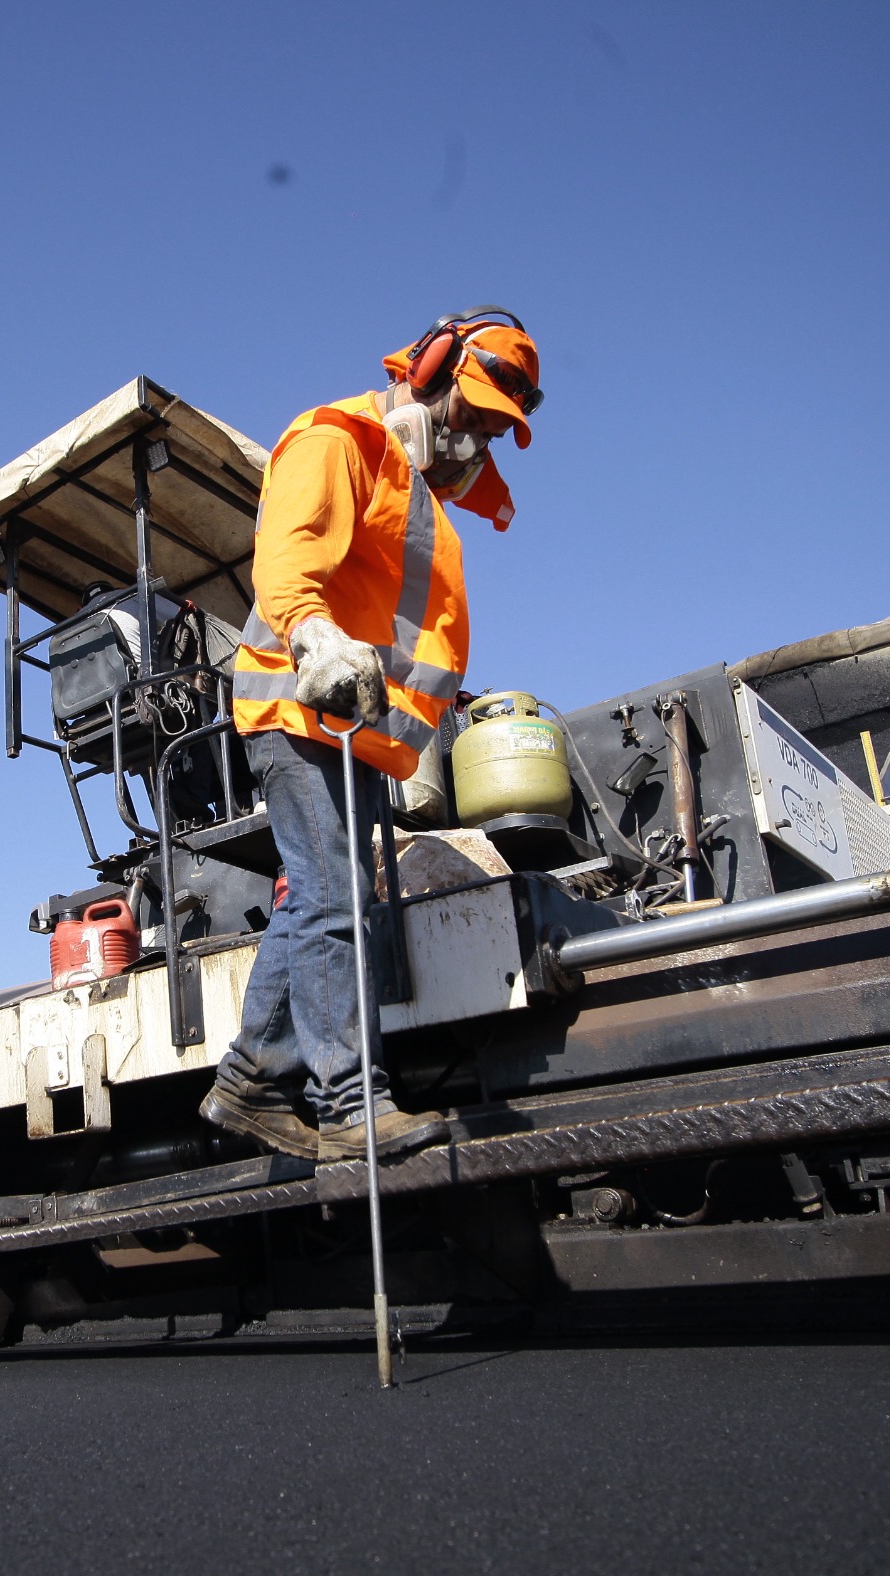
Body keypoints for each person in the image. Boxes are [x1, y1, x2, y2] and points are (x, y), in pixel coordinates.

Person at [200, 307, 543, 1161]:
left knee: (323, 892)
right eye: (473, 415)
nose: (476, 443)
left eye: (496, 432)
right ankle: (351, 1104)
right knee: (336, 895)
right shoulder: (338, 438)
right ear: (426, 375)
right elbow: (287, 554)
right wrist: (312, 634)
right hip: (296, 702)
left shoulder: (406, 483)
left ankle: (248, 1082)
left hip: (343, 722)